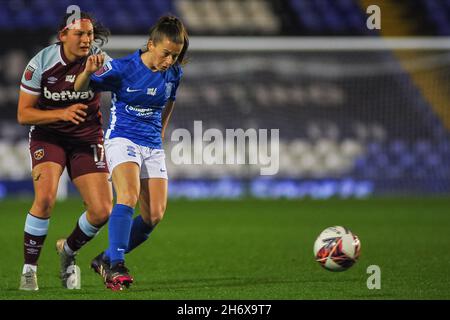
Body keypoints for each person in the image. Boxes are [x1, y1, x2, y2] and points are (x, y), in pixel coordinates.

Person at [74, 15, 189, 291]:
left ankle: (104, 259)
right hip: (122, 138)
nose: (170, 61)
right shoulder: (123, 68)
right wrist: (88, 72)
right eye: (166, 54)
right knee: (127, 195)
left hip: (151, 144)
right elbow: (80, 88)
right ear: (151, 45)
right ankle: (116, 265)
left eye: (175, 55)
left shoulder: (174, 73)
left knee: (154, 216)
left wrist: (161, 130)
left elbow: (169, 101)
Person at [17, 11, 113, 291]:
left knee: (101, 210)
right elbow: (24, 114)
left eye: (89, 34)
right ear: (63, 36)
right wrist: (62, 113)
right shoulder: (41, 64)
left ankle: (68, 252)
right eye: (79, 34)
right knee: (46, 199)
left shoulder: (100, 61)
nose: (86, 40)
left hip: (87, 138)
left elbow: (121, 86)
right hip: (49, 137)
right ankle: (29, 271)